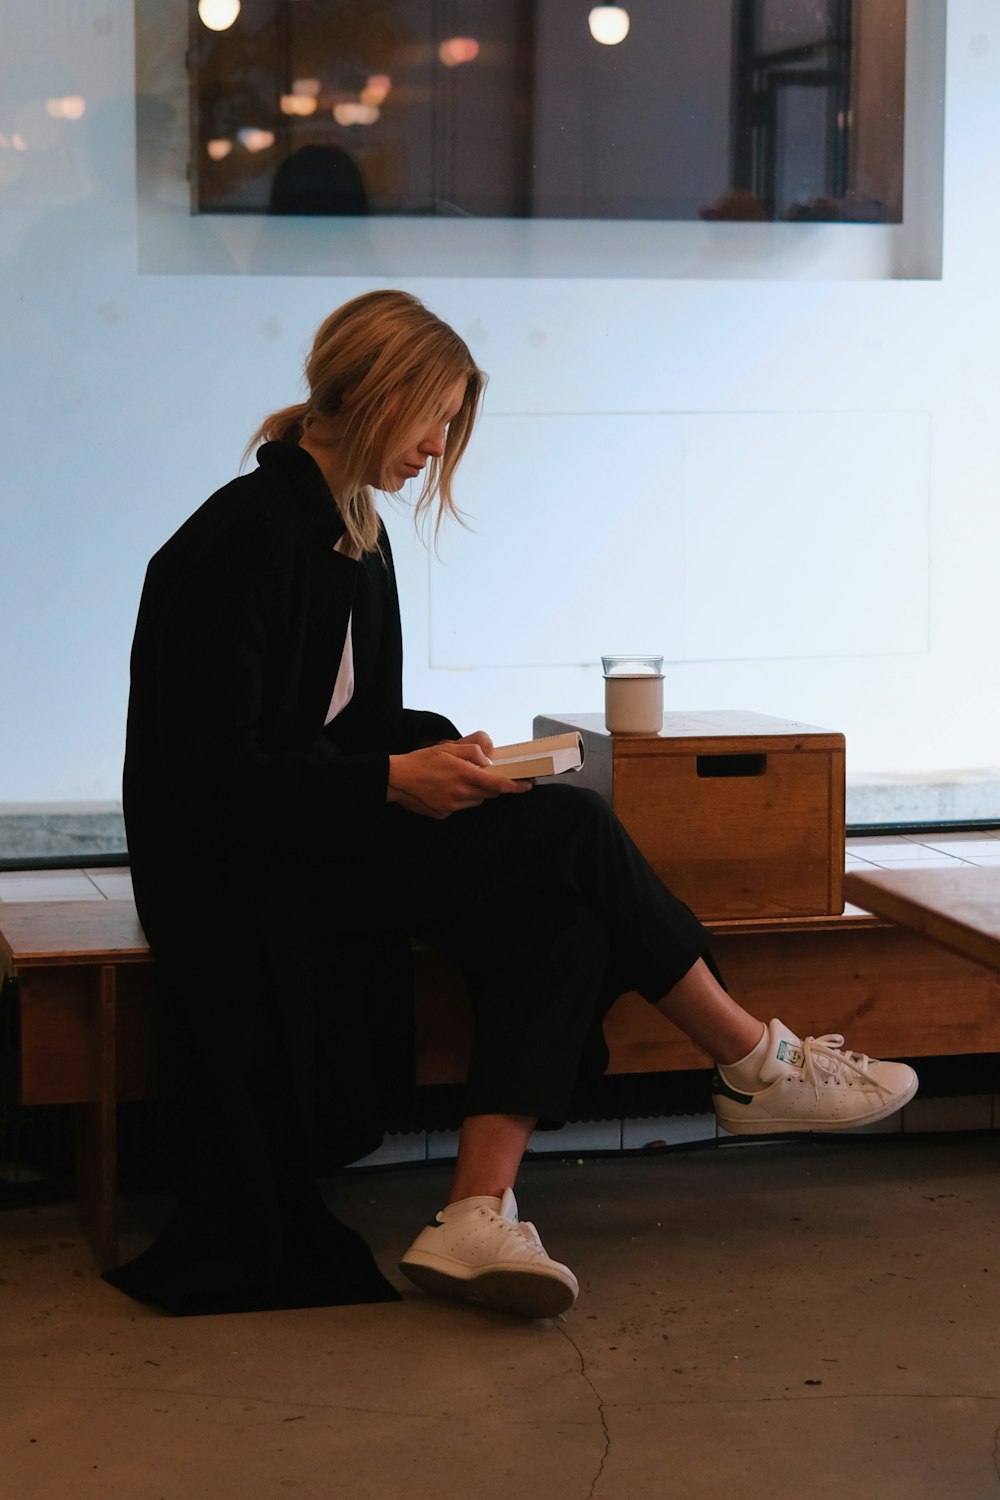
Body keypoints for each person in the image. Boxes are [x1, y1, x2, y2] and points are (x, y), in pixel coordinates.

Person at [107, 290, 918, 1320]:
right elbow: (204, 778)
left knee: (562, 912)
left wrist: (432, 749)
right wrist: (394, 779)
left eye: (451, 424)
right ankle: (755, 1059)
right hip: (243, 867)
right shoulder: (246, 535)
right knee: (575, 828)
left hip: (325, 831)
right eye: (432, 417)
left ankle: (475, 1212)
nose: (439, 446)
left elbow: (340, 723)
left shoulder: (351, 526)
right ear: (373, 392)